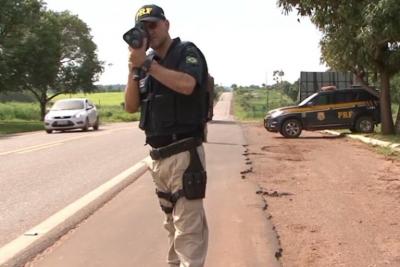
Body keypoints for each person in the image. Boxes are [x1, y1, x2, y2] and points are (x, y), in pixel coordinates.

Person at [124, 4, 209, 267]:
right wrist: (133, 69)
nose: (149, 31)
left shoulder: (186, 52)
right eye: (143, 27)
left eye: (153, 25)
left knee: (188, 232)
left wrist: (147, 64)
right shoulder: (146, 62)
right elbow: (130, 106)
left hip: (184, 154)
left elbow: (187, 85)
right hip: (158, 159)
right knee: (172, 227)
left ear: (166, 24)